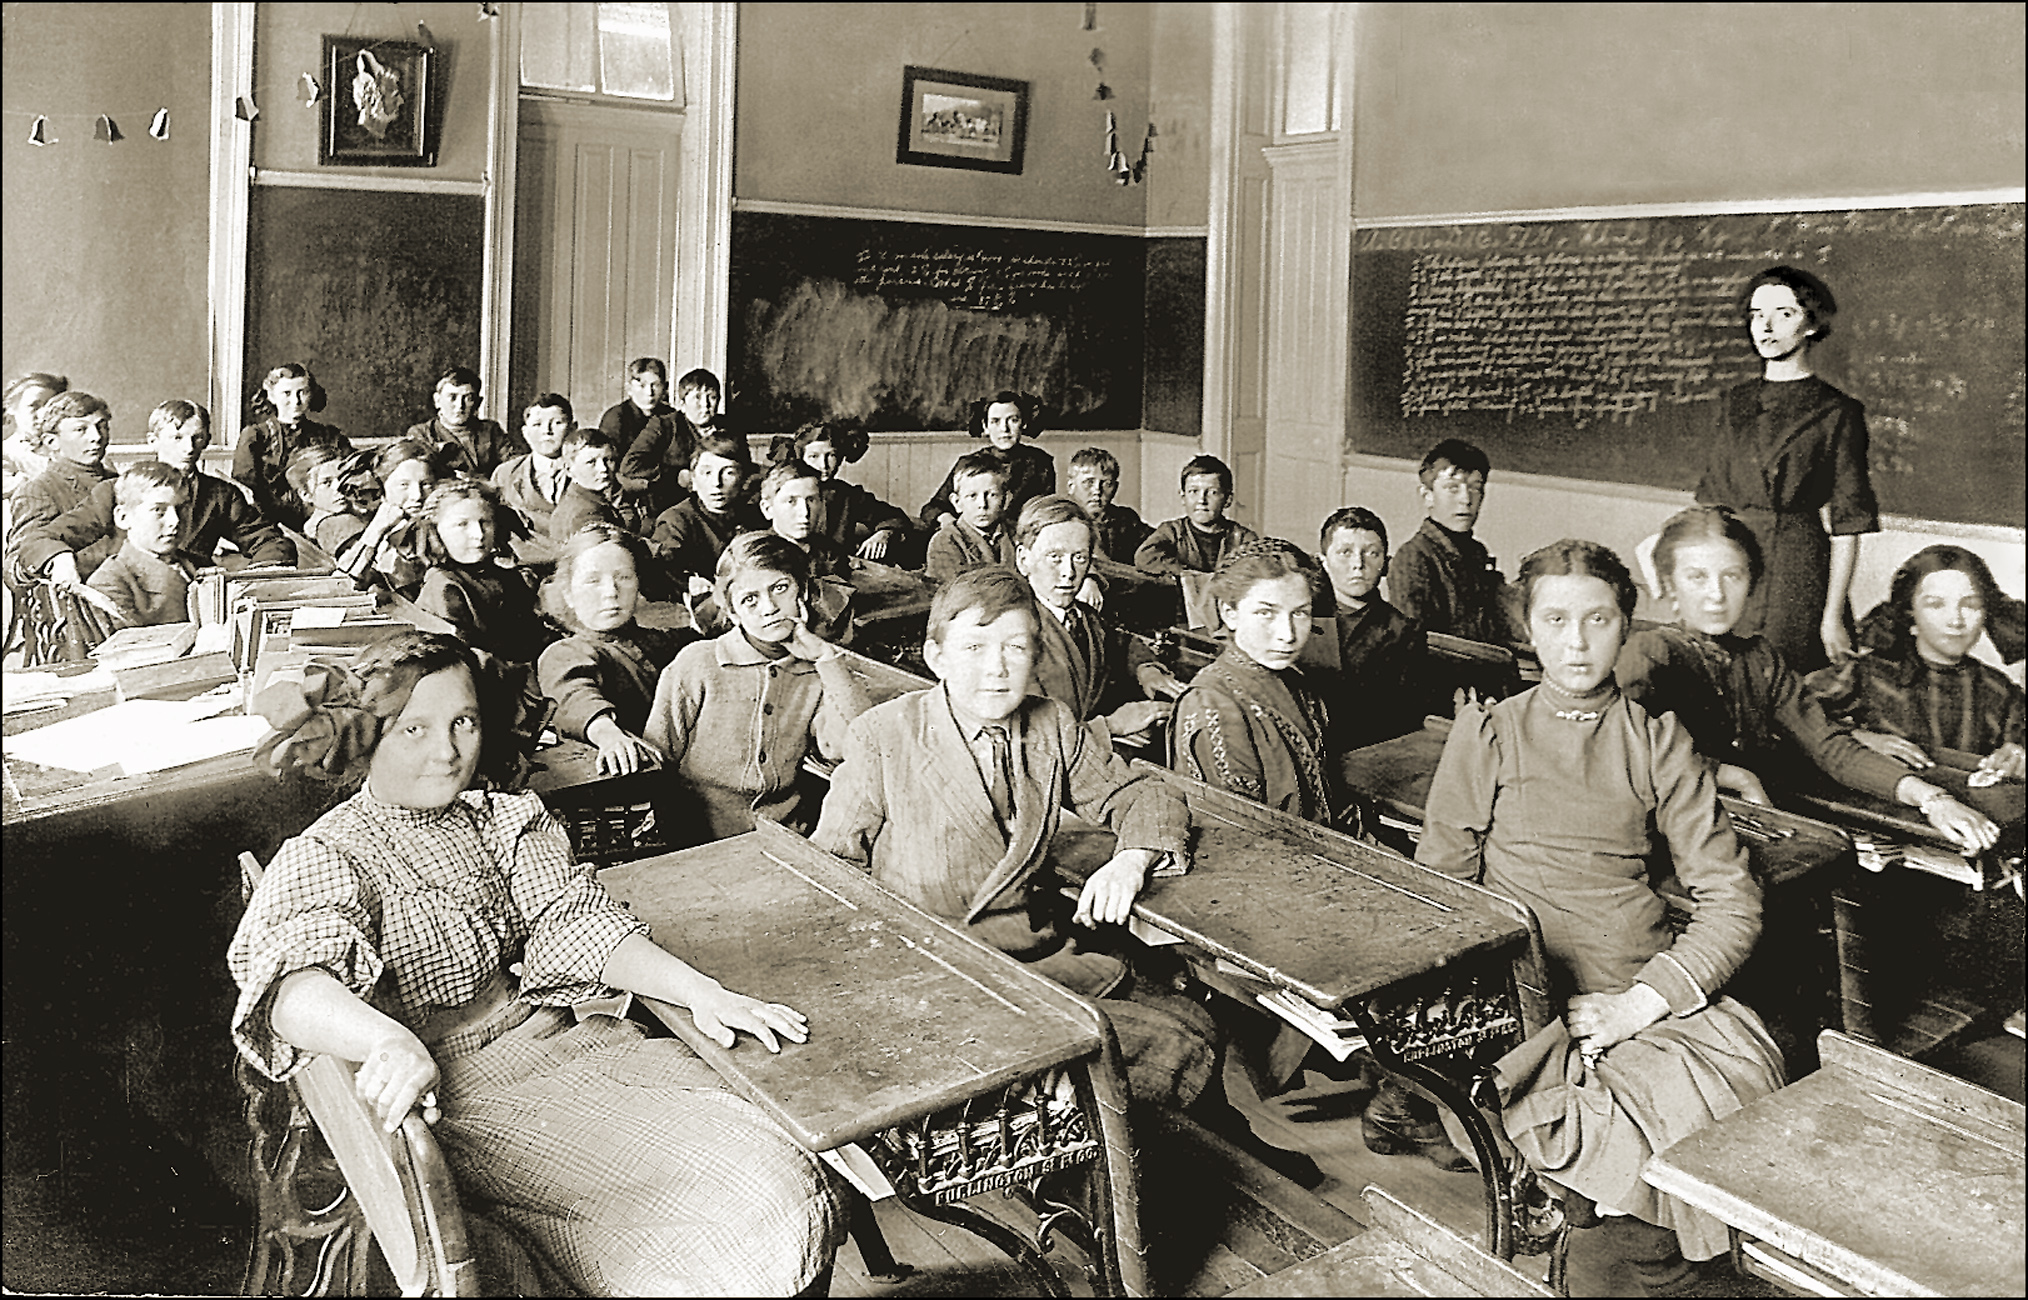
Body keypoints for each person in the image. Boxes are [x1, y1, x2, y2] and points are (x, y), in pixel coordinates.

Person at [228, 630, 842, 1296]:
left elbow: (574, 920)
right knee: (756, 1186)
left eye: (463, 722)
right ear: (367, 737)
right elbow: (291, 986)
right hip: (464, 1095)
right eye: (413, 730)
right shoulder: (330, 851)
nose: (447, 750)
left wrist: (700, 992)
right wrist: (387, 1039)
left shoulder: (501, 818)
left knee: (776, 1151)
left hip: (565, 1046)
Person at [1416, 538, 1789, 1292]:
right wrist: (1512, 1007)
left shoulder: (1658, 741)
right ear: (1527, 629)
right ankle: (1654, 1263)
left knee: (1743, 1093)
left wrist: (1638, 1006)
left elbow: (1730, 899)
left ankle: (1677, 1264)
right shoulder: (1487, 734)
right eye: (1556, 620)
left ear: (1627, 627)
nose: (1577, 642)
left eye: (1598, 620)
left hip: (1637, 994)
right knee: (1650, 1183)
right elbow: (1439, 901)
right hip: (1528, 1002)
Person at [811, 567, 1219, 1115]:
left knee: (1195, 1019)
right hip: (937, 977)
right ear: (937, 658)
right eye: (975, 647)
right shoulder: (884, 736)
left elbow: (1143, 794)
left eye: (1016, 647)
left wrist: (1131, 860)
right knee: (1158, 1045)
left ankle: (1194, 1146)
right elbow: (827, 882)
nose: (997, 668)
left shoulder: (1050, 724)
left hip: (1032, 957)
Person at [1617, 505, 1998, 855]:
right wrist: (1733, 775)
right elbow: (1617, 752)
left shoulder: (1760, 658)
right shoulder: (1651, 653)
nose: (1716, 595)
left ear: (1752, 582)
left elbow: (1832, 749)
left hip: (1742, 824)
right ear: (1669, 585)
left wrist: (1934, 800)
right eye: (1696, 577)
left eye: (1732, 575)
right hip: (1660, 837)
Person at [1695, 266, 1879, 674]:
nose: (1767, 326)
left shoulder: (1837, 411)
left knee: (1784, 682)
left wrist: (1830, 615)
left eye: (1785, 313)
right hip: (1732, 561)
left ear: (1811, 324)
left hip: (1798, 569)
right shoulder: (1733, 402)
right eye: (1758, 315)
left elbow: (1849, 525)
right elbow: (1711, 504)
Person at [643, 532, 873, 844]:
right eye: (750, 599)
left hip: (784, 838)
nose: (769, 608)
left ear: (802, 590)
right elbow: (657, 758)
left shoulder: (817, 670)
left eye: (780, 588)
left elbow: (852, 747)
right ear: (733, 612)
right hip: (697, 837)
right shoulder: (698, 663)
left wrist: (826, 658)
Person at [21, 400, 294, 594]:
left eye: (197, 438)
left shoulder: (221, 494)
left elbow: (269, 541)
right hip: (137, 598)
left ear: (207, 440)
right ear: (153, 440)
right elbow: (39, 539)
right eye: (177, 437)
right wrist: (60, 558)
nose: (189, 447)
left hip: (197, 596)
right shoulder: (116, 490)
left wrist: (253, 581)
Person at [1806, 545, 2024, 779]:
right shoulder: (1866, 674)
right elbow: (1790, 714)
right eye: (1936, 604)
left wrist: (2017, 757)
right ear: (1910, 611)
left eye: (1970, 605)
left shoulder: (1999, 691)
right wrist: (1858, 738)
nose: (1956, 620)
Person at [1171, 540, 1343, 827]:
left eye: (1299, 613)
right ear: (1230, 612)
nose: (1287, 634)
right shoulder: (1211, 703)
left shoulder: (1297, 683)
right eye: (1266, 613)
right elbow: (1239, 833)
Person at [1012, 495, 1182, 746]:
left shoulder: (1086, 617)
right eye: (1055, 557)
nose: (1069, 573)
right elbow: (1028, 738)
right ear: (1024, 560)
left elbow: (1121, 644)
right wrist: (1112, 727)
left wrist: (1147, 669)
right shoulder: (1010, 633)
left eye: (1079, 558)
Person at [538, 525, 696, 776]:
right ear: (568, 594)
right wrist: (607, 733)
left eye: (623, 577)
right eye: (593, 581)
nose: (611, 592)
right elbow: (575, 695)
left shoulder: (665, 642)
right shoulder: (566, 653)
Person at [1315, 506, 1426, 750]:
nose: (1358, 564)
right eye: (1345, 552)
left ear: (1385, 564)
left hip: (1363, 752)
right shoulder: (1300, 616)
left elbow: (1403, 718)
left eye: (1372, 553)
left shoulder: (1403, 632)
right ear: (1323, 562)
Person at [1387, 438, 1515, 645]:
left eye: (1475, 488)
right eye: (1452, 488)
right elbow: (1412, 647)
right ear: (1427, 495)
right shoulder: (1413, 558)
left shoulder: (1476, 552)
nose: (1466, 499)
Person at [415, 479, 550, 666]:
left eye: (485, 522)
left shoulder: (507, 576)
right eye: (462, 524)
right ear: (436, 531)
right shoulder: (444, 585)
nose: (478, 534)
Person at [233, 363, 352, 532]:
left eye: (302, 392)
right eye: (287, 393)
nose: (295, 401)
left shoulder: (330, 436)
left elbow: (351, 475)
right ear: (272, 396)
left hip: (326, 519)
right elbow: (248, 489)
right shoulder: (255, 436)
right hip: (272, 524)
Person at [919, 390, 1056, 531]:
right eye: (995, 421)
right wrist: (949, 522)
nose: (1004, 429)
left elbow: (1046, 511)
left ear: (1024, 423)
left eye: (1013, 420)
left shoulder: (1040, 463)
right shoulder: (968, 463)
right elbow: (933, 508)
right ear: (985, 426)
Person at [8, 391, 115, 563]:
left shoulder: (121, 482)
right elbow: (19, 560)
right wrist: (57, 559)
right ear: (52, 442)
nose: (96, 437)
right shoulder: (38, 490)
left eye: (102, 426)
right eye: (81, 429)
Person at [85, 461, 195, 628]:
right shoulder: (109, 583)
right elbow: (129, 650)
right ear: (123, 518)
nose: (175, 521)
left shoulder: (195, 564)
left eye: (181, 509)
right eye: (159, 510)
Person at [755, 459, 854, 641]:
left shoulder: (830, 552)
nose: (805, 512)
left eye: (811, 500)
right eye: (791, 501)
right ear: (768, 509)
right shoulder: (754, 555)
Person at [649, 434, 758, 597]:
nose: (716, 482)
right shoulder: (676, 520)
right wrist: (688, 582)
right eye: (707, 472)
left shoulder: (754, 515)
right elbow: (660, 569)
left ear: (743, 478)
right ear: (693, 478)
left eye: (728, 473)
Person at [792, 420, 912, 562]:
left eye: (831, 455)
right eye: (814, 456)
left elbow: (894, 517)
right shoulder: (784, 491)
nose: (823, 465)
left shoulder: (847, 495)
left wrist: (884, 533)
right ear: (801, 457)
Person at [335, 440, 442, 599]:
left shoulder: (443, 530)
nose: (417, 495)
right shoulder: (384, 533)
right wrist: (376, 528)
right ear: (382, 489)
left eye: (426, 484)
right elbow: (340, 584)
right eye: (404, 485)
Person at [1132, 455, 1260, 576]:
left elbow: (1257, 570)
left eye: (1212, 492)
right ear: (1183, 497)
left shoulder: (1243, 538)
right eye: (1194, 491)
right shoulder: (1172, 531)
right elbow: (1144, 557)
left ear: (1227, 499)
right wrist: (1188, 574)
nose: (1201, 500)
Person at [618, 367, 719, 513]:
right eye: (697, 397)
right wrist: (675, 476)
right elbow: (631, 465)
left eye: (712, 397)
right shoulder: (664, 425)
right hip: (670, 507)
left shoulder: (729, 428)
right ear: (682, 404)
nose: (705, 404)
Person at [491, 393, 575, 557]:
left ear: (573, 428)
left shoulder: (591, 468)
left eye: (557, 423)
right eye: (537, 424)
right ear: (525, 432)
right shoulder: (506, 473)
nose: (547, 431)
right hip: (523, 564)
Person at [404, 366, 518, 478]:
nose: (460, 406)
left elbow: (514, 465)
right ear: (437, 401)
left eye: (468, 398)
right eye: (452, 397)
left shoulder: (491, 430)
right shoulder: (422, 434)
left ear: (478, 403)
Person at [923, 450, 1017, 583]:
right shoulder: (946, 541)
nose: (982, 505)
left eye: (992, 495)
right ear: (957, 502)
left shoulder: (1018, 535)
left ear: (1006, 499)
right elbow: (954, 594)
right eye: (972, 496)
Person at [548, 428, 650, 541]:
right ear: (569, 469)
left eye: (608, 460)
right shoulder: (586, 514)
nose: (603, 469)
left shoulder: (585, 499)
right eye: (591, 462)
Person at [1065, 447, 1151, 563]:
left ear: (1115, 488)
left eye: (1107, 484)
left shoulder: (1126, 520)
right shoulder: (1061, 522)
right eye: (1089, 482)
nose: (1097, 490)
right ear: (1071, 486)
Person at [597, 357, 676, 466]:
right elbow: (610, 460)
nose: (649, 392)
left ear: (665, 387)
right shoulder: (616, 417)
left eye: (656, 385)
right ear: (629, 388)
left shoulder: (671, 415)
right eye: (642, 386)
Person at [1, 371, 66, 497]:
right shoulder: (7, 453)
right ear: (12, 408)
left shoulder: (73, 447)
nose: (43, 414)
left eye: (50, 406)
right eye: (34, 406)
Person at [290, 444, 363, 555]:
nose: (339, 488)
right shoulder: (338, 525)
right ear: (305, 494)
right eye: (326, 483)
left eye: (343, 478)